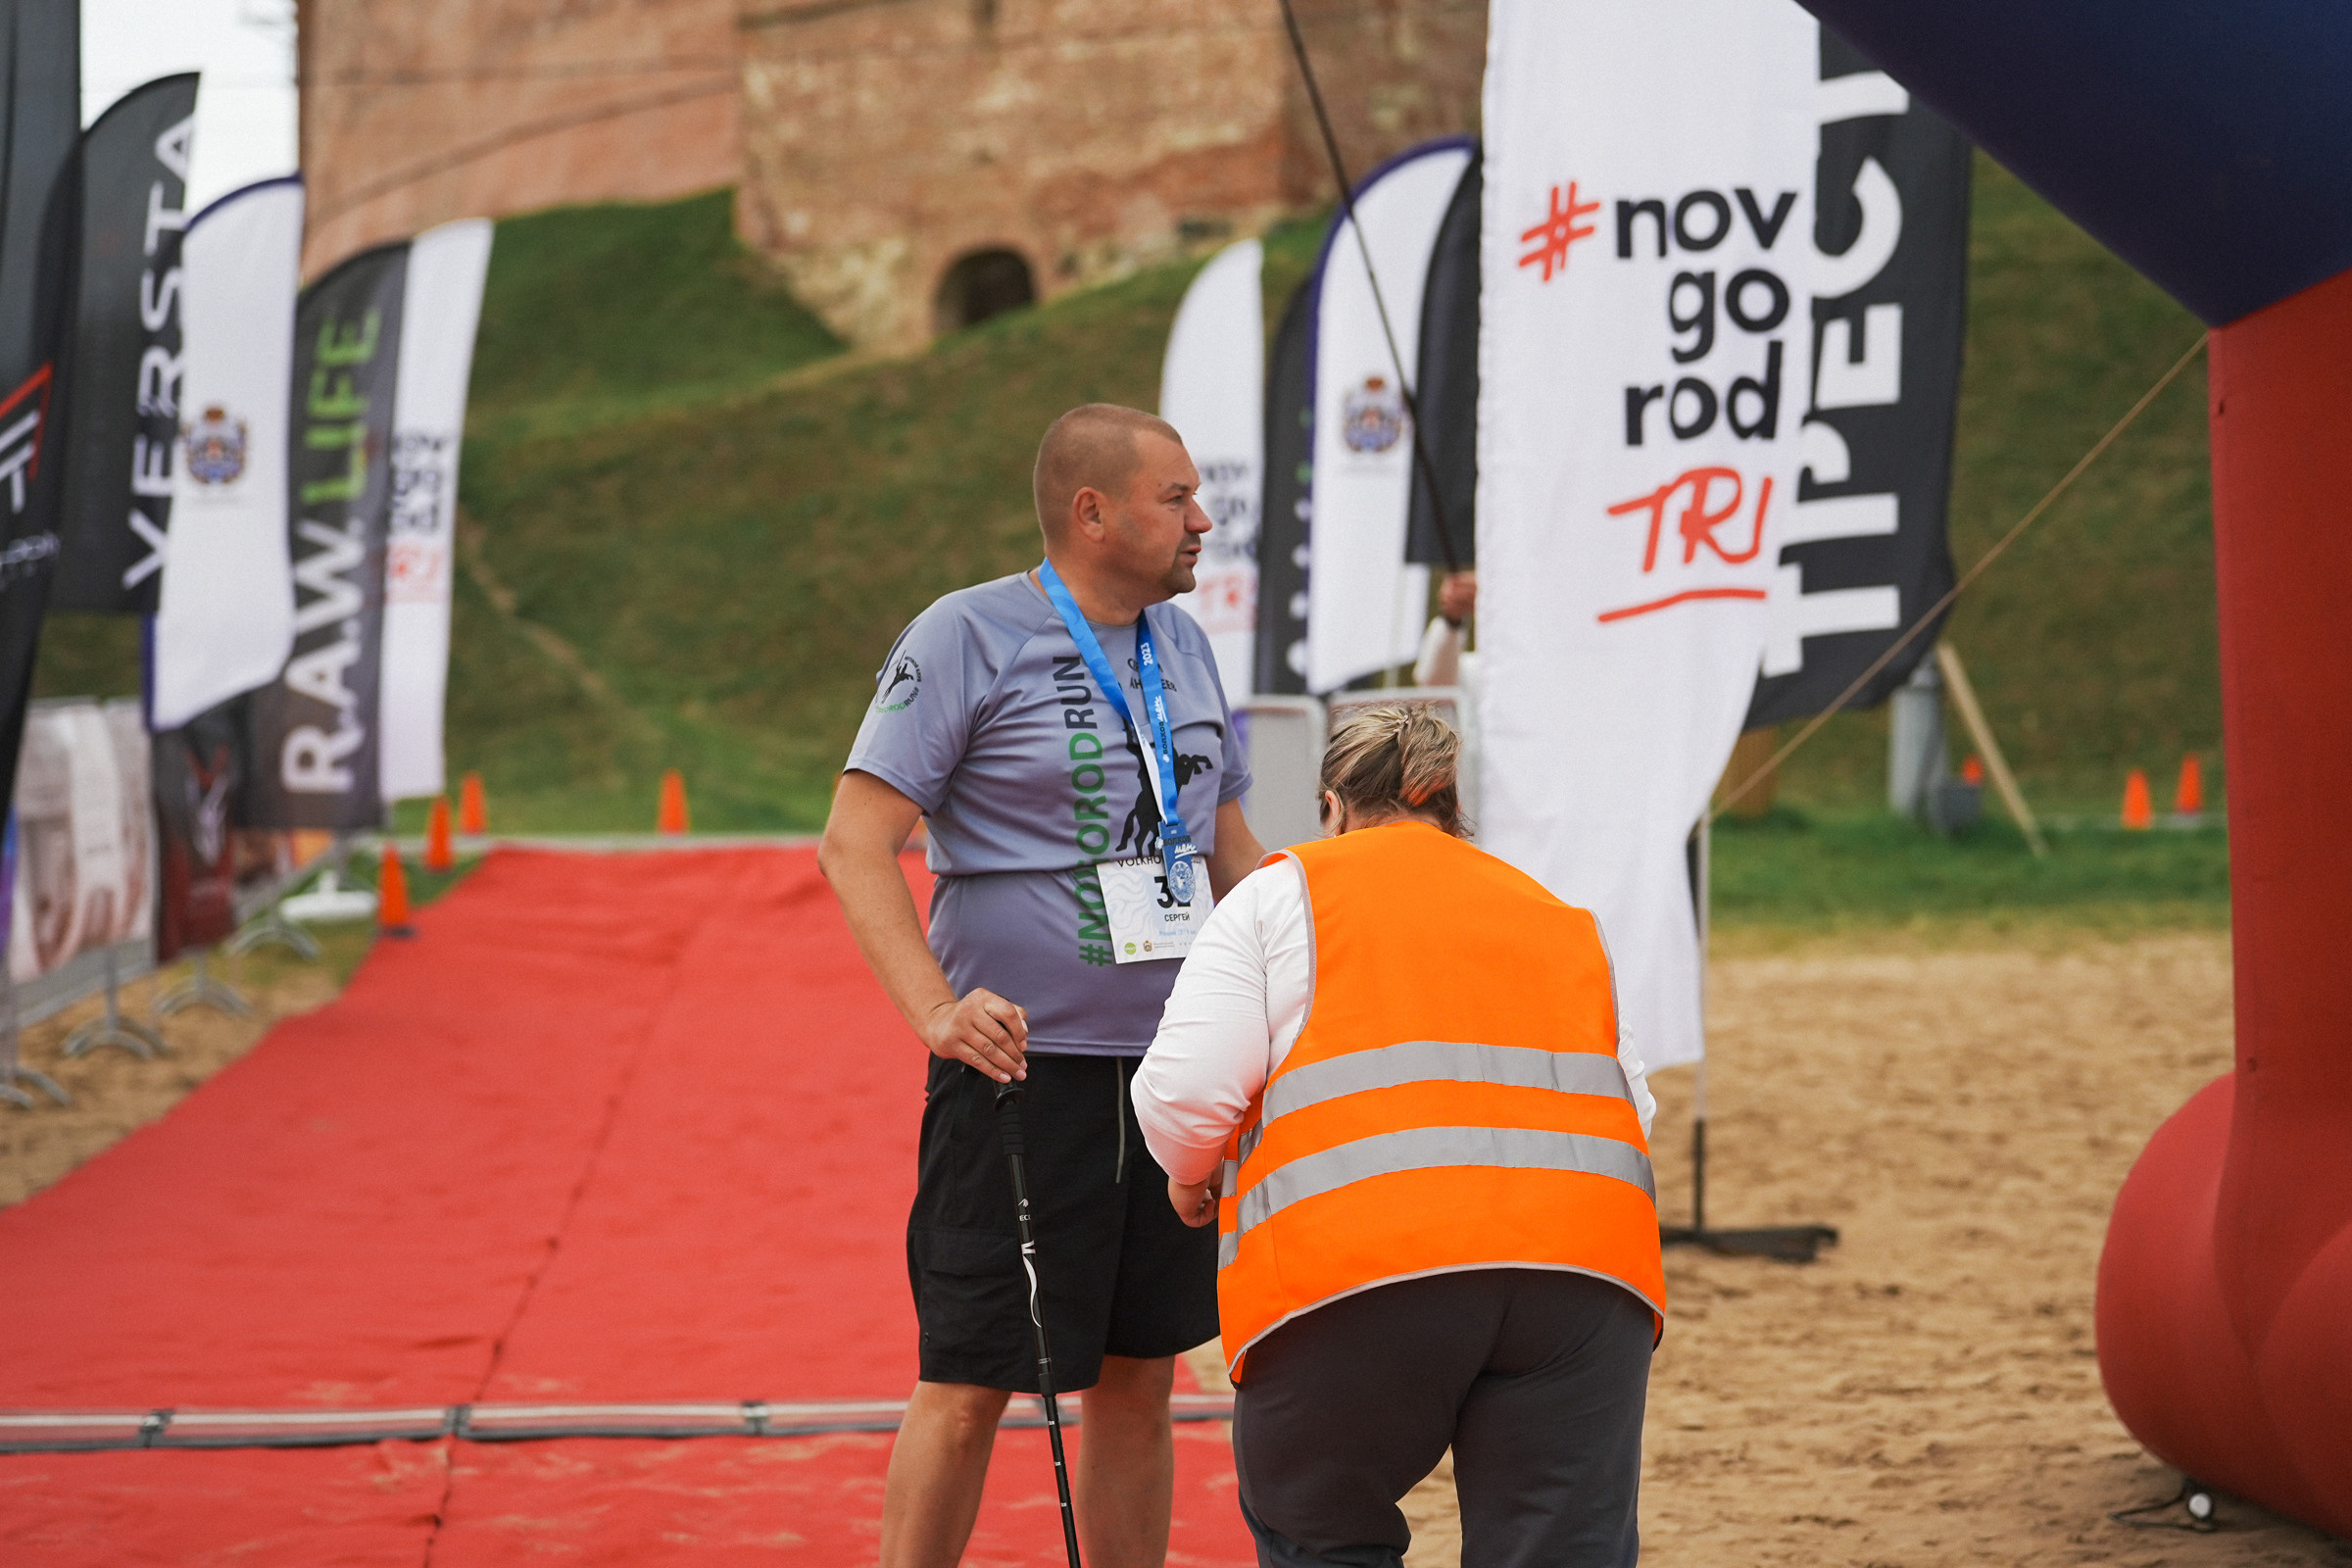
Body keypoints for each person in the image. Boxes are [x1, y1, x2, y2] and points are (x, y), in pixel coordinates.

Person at [819, 403, 1268, 1568]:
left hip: (1174, 1077)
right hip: (1021, 1076)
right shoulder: (966, 633)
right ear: (1093, 512)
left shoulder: (1185, 646)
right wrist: (936, 1010)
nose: (1202, 519)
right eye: (1177, 497)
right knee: (971, 1378)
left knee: (1141, 1375)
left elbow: (1232, 852)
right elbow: (854, 841)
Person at [1132, 704, 1663, 1568]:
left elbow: (1186, 1093)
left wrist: (1189, 1173)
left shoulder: (1282, 892)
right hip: (1586, 1271)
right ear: (1451, 807)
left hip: (1358, 1265)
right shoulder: (1558, 913)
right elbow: (1631, 1110)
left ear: (1332, 807)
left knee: (1323, 1532)